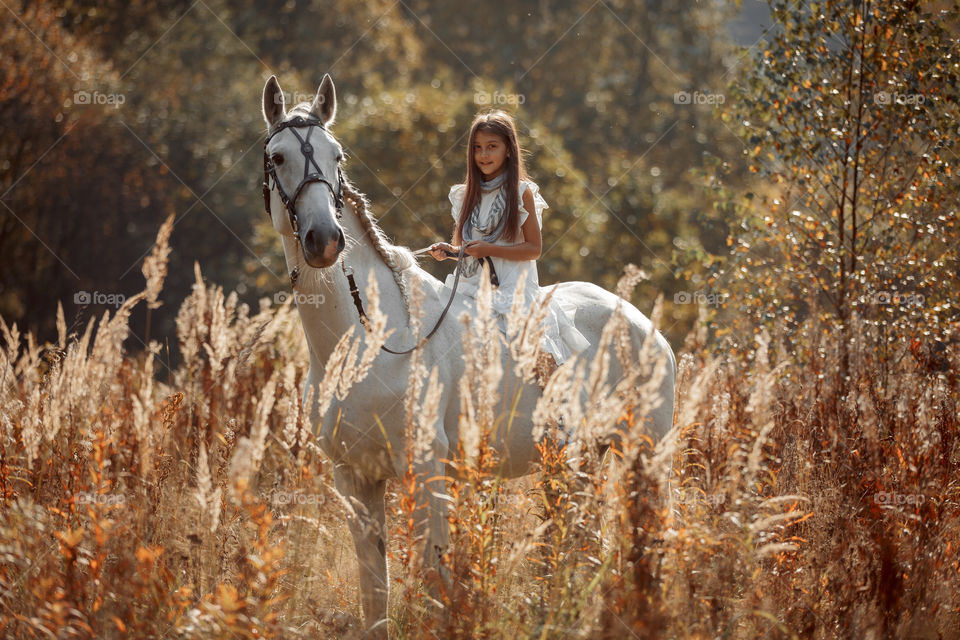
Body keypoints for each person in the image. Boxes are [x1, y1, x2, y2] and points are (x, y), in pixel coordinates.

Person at [429, 110, 589, 388]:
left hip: (512, 289)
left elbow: (533, 249)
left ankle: (561, 422)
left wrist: (490, 249)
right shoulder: (464, 194)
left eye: (492, 146)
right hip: (469, 287)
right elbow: (470, 247)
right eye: (477, 148)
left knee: (539, 357)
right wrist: (452, 251)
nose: (484, 155)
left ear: (509, 150)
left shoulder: (521, 192)